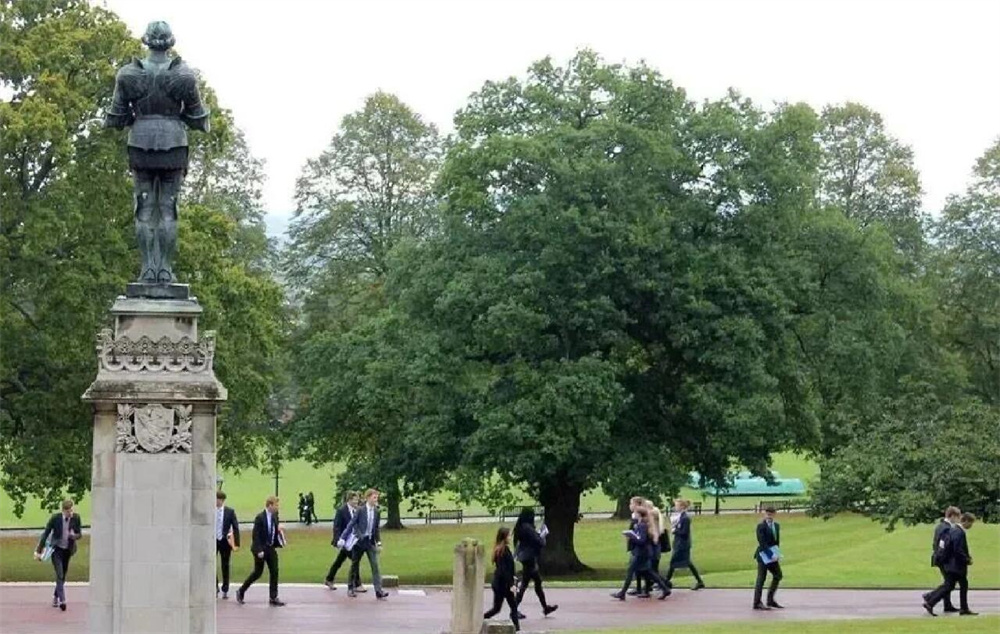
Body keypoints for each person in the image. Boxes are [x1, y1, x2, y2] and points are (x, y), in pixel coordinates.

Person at [103, 21, 209, 285]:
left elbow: (116, 117)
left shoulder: (128, 74)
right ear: (170, 42)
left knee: (144, 208)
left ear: (147, 40)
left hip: (140, 144)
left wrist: (136, 117)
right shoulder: (184, 76)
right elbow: (197, 118)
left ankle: (148, 269)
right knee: (169, 209)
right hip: (174, 144)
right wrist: (178, 115)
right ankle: (165, 270)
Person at [923, 512, 978, 616]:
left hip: (951, 564)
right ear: (965, 521)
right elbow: (957, 549)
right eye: (971, 523)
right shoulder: (959, 532)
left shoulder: (953, 530)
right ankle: (930, 601)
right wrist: (967, 559)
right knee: (950, 585)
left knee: (959, 584)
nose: (971, 526)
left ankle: (963, 608)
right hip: (956, 565)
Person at [612, 507, 670, 601]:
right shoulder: (642, 524)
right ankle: (665, 588)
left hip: (641, 553)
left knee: (630, 571)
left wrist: (632, 536)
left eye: (635, 513)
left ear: (639, 514)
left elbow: (642, 540)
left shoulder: (642, 525)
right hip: (644, 552)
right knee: (648, 572)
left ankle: (622, 593)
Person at [236, 496, 285, 606]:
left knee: (275, 571)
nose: (277, 507)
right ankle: (241, 590)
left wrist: (279, 536)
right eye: (276, 505)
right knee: (257, 573)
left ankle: (273, 597)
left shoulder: (275, 516)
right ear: (270, 505)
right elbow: (256, 535)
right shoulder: (260, 518)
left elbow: (273, 530)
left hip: (270, 548)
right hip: (260, 548)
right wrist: (259, 550)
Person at [35, 499, 82, 611]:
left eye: (72, 510)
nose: (70, 513)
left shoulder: (76, 518)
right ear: (63, 510)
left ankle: (56, 595)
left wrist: (73, 536)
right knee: (59, 574)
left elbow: (79, 534)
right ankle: (62, 600)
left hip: (68, 550)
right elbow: (46, 533)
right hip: (56, 550)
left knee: (63, 575)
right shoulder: (55, 518)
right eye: (68, 511)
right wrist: (39, 550)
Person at [513, 507, 558, 616]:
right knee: (525, 584)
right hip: (529, 558)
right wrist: (542, 535)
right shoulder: (527, 528)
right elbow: (539, 541)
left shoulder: (521, 527)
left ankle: (545, 607)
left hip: (525, 557)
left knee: (537, 583)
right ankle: (514, 609)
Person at [345, 488, 389, 599]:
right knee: (355, 565)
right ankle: (351, 587)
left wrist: (378, 542)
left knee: (375, 566)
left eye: (377, 498)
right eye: (374, 498)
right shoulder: (360, 510)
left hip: (370, 542)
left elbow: (376, 529)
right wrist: (357, 535)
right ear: (368, 498)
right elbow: (353, 524)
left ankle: (378, 590)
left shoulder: (377, 512)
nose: (376, 500)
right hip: (359, 542)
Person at [483, 527, 520, 632]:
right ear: (504, 537)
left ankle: (517, 628)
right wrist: (511, 584)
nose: (510, 537)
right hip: (502, 585)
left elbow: (508, 568)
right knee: (499, 608)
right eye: (508, 535)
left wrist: (513, 577)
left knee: (509, 606)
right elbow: (504, 570)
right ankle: (481, 619)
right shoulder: (502, 551)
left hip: (502, 583)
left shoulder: (502, 549)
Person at [664, 499, 705, 590]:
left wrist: (675, 531)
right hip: (679, 543)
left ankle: (666, 581)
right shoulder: (681, 517)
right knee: (686, 563)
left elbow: (684, 532)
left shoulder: (685, 518)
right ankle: (699, 581)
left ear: (682, 507)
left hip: (682, 544)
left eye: (677, 505)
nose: (675, 507)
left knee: (674, 562)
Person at [324, 491, 362, 591]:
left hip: (353, 541)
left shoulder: (356, 510)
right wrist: (338, 540)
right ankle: (357, 584)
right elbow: (336, 526)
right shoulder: (341, 511)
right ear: (349, 500)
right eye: (355, 500)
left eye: (357, 500)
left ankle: (329, 578)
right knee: (355, 560)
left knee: (339, 561)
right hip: (344, 541)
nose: (357, 502)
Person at [929, 506, 961, 613]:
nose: (958, 520)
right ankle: (930, 598)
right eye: (957, 517)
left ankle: (947, 605)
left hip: (940, 557)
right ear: (952, 516)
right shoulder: (946, 528)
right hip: (944, 559)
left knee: (948, 582)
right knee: (949, 583)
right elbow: (944, 545)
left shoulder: (941, 526)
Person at [752, 506, 783, 610]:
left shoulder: (776, 526)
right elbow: (762, 543)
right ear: (765, 514)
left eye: (771, 514)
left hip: (773, 556)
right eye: (767, 514)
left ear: (774, 514)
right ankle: (757, 602)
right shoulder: (761, 526)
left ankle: (770, 600)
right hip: (763, 556)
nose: (769, 516)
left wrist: (777, 554)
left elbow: (776, 542)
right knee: (761, 578)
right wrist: (771, 554)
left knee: (778, 575)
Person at [215, 491, 241, 599]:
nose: (216, 501)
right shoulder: (210, 511)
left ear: (222, 500)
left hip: (225, 541)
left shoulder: (230, 512)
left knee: (225, 565)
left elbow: (235, 527)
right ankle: (214, 586)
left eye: (217, 499)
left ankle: (225, 588)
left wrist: (236, 544)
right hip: (213, 541)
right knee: (211, 564)